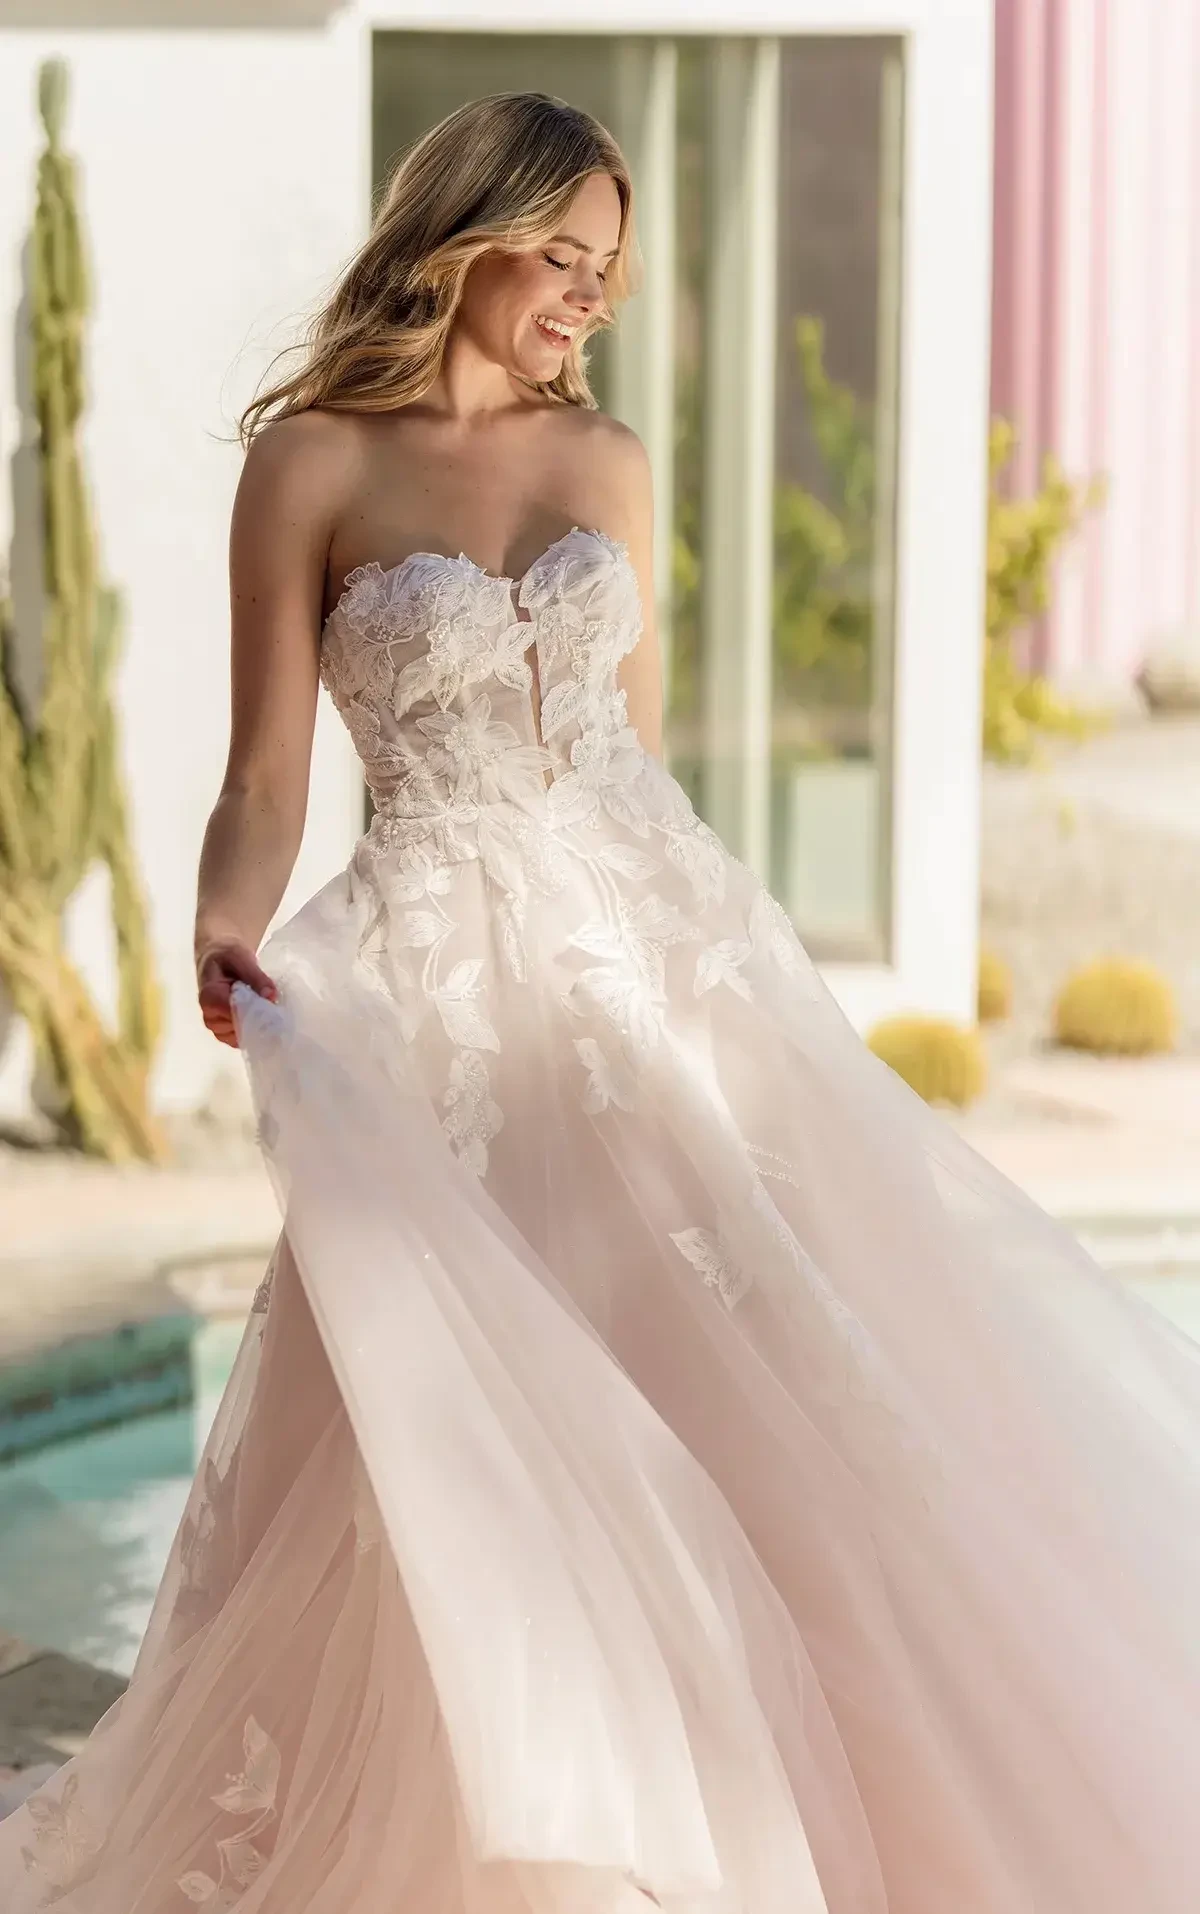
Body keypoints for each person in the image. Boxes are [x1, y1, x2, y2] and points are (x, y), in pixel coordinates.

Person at [3, 89, 1200, 1914]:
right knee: (472, 1421)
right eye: (561, 259)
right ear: (462, 234)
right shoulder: (314, 464)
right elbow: (263, 773)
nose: (588, 299)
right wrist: (224, 924)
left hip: (659, 970)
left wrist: (711, 979)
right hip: (442, 1008)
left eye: (610, 271)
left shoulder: (613, 462)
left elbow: (630, 762)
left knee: (766, 1367)